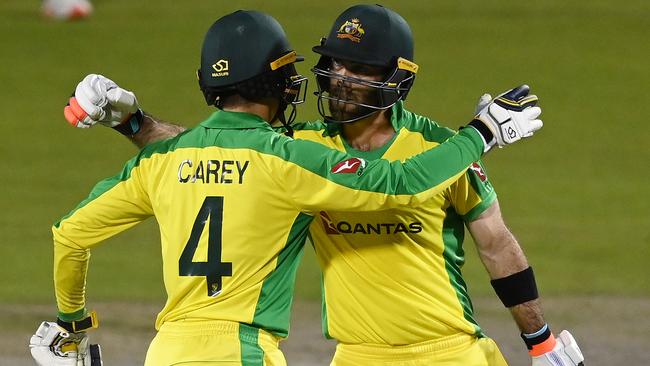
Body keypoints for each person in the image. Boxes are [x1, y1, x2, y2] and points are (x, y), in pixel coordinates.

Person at [29, 8, 544, 366]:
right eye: (334, 65)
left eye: (358, 68)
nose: (339, 78)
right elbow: (401, 183)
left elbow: (496, 244)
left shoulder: (427, 146)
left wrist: (539, 342)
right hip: (306, 352)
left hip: (447, 350)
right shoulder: (299, 150)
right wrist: (483, 134)